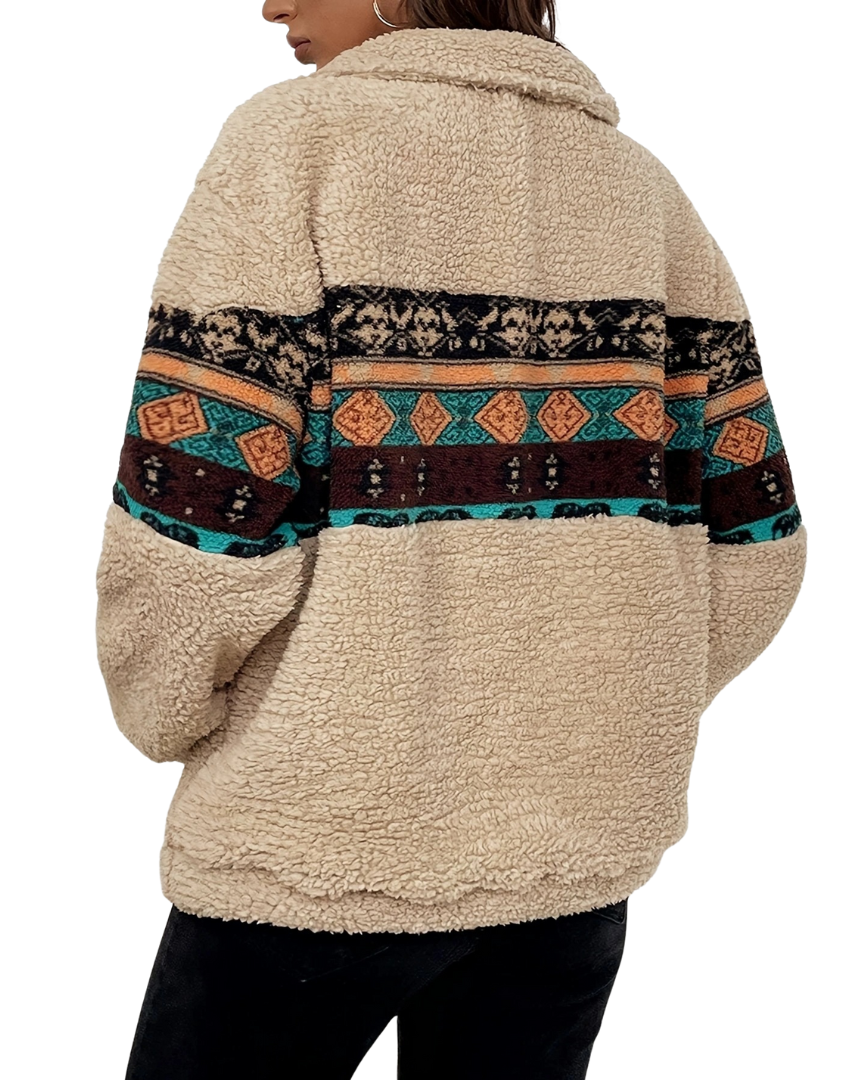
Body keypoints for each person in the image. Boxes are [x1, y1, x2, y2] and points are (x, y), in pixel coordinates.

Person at [95, 1, 808, 1076]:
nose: (271, 3)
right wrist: (596, 719)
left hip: (315, 847)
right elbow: (757, 544)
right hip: (570, 868)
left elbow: (191, 535)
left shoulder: (295, 144)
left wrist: (168, 712)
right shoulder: (644, 192)